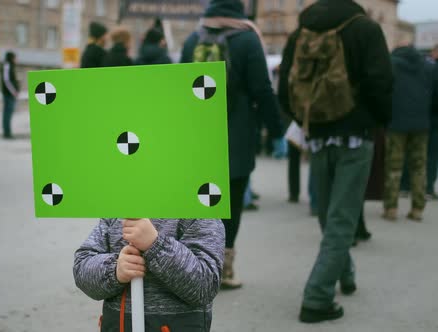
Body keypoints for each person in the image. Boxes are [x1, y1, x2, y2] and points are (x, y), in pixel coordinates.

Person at [278, 0, 393, 323]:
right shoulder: (365, 27)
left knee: (329, 216)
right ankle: (316, 298)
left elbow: (285, 81)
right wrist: (377, 121)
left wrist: (303, 117)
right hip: (355, 136)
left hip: (317, 133)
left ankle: (346, 275)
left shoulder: (303, 28)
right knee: (341, 220)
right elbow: (381, 81)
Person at [180, 0, 284, 289]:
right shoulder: (248, 39)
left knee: (197, 204)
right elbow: (263, 90)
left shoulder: (193, 39)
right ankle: (223, 269)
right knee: (230, 206)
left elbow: (176, 89)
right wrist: (276, 132)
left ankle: (192, 268)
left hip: (196, 139)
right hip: (235, 139)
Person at [74, 218, 224, 331]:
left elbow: (204, 286)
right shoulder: (117, 211)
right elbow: (81, 269)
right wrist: (114, 270)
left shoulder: (199, 210)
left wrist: (155, 244)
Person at [383, 43, 434, 222]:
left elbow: (384, 91)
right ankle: (417, 209)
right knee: (419, 166)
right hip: (421, 124)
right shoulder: (428, 67)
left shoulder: (390, 65)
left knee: (393, 166)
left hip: (395, 123)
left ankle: (391, 208)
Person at [426, 45, 438, 199]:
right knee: (432, 154)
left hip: (426, 115)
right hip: (434, 117)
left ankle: (406, 185)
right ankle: (428, 187)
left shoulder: (429, 68)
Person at [0, 51, 19, 139]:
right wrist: (13, 91)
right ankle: (7, 133)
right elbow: (6, 80)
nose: (16, 60)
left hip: (9, 94)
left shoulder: (10, 66)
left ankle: (7, 132)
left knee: (8, 114)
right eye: (15, 58)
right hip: (8, 94)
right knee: (7, 114)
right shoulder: (7, 65)